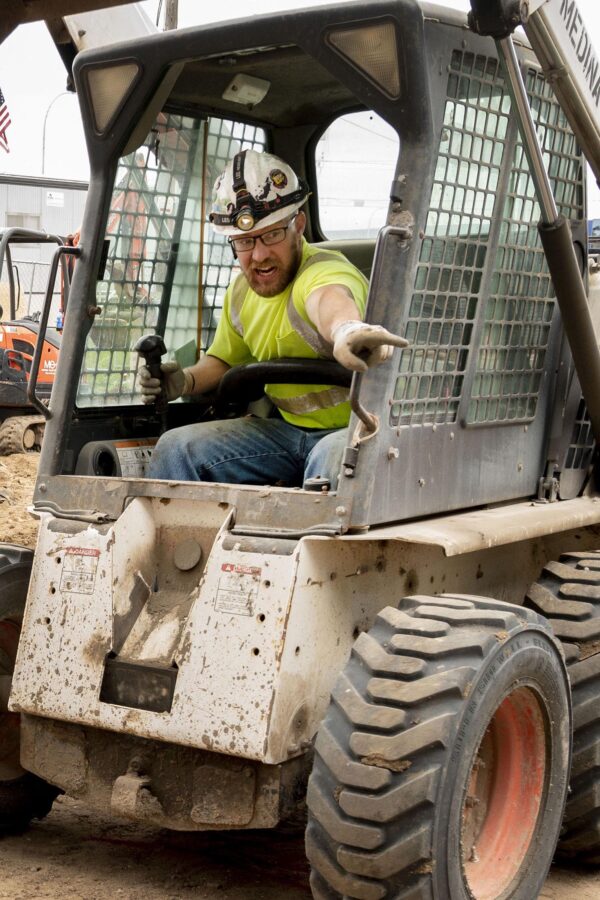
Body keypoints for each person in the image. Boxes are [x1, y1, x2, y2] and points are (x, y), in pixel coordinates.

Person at [140, 149, 406, 488]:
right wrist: (184, 382)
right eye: (246, 241)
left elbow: (329, 299)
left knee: (331, 461)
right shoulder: (241, 293)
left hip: (359, 427)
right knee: (177, 449)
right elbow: (224, 361)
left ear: (298, 224)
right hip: (287, 433)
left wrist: (345, 329)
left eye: (272, 234)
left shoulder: (324, 270)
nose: (260, 254)